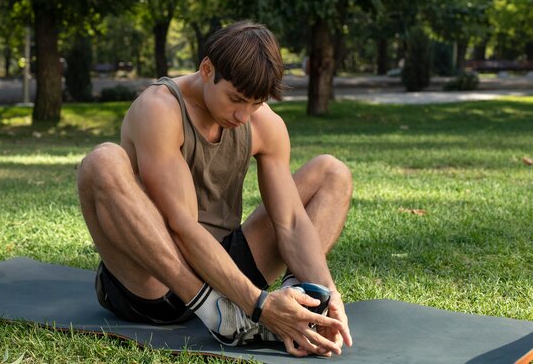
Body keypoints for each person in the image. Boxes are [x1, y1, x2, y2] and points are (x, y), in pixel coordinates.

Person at [77, 21, 353, 357]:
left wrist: (328, 291)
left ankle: (301, 304)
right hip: (158, 280)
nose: (243, 114)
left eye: (255, 103)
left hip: (224, 267)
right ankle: (227, 317)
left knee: (332, 172)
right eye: (236, 99)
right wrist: (259, 304)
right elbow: (183, 227)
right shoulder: (160, 109)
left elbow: (291, 222)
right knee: (102, 161)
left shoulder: (263, 122)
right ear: (207, 69)